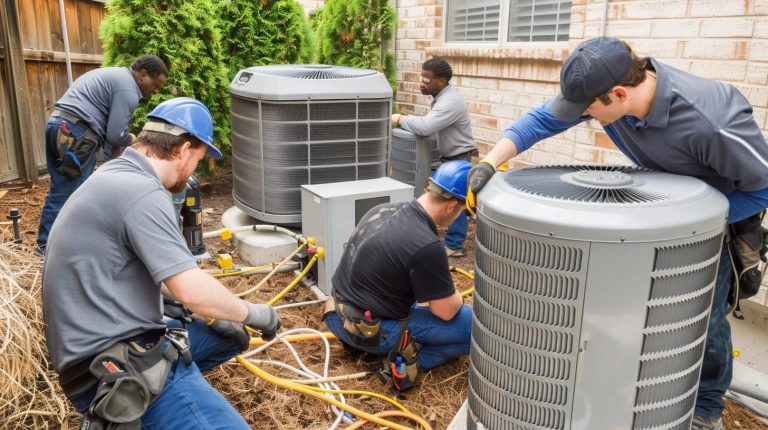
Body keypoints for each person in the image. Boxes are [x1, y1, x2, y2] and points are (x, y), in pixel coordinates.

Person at [466, 37, 768, 430]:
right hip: (658, 213)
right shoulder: (608, 96)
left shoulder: (712, 122)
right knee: (644, 314)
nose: (584, 116)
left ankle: (707, 411)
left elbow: (762, 186)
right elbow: (541, 121)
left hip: (711, 228)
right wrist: (489, 163)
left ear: (620, 93)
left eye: (588, 108)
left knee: (700, 321)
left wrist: (701, 220)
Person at [42, 98, 280, 429]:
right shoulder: (141, 192)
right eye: (198, 159)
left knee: (230, 336)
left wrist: (184, 305)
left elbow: (155, 276)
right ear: (183, 149)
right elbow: (192, 291)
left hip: (96, 352)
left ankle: (172, 401)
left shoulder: (115, 175)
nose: (195, 168)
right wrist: (258, 314)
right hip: (114, 368)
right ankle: (155, 400)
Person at [324, 160, 474, 390]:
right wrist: (457, 298)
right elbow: (446, 312)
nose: (459, 217)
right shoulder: (427, 245)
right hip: (369, 331)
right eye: (462, 212)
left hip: (336, 314)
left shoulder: (382, 210)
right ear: (452, 206)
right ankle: (405, 360)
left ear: (428, 188)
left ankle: (373, 347)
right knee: (475, 328)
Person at [37, 54, 168, 254]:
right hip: (76, 132)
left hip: (58, 124)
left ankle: (46, 245)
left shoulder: (115, 77)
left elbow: (111, 145)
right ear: (142, 75)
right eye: (156, 84)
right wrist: (132, 139)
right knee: (71, 192)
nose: (156, 91)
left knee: (60, 189)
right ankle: (50, 248)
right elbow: (116, 135)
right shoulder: (128, 89)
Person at [391, 57, 477, 258]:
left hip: (458, 158)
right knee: (452, 198)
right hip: (451, 156)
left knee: (453, 199)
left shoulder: (450, 102)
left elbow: (425, 127)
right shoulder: (443, 98)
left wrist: (402, 119)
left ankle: (454, 245)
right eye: (422, 78)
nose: (422, 83)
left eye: (427, 80)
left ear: (442, 80)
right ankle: (452, 241)